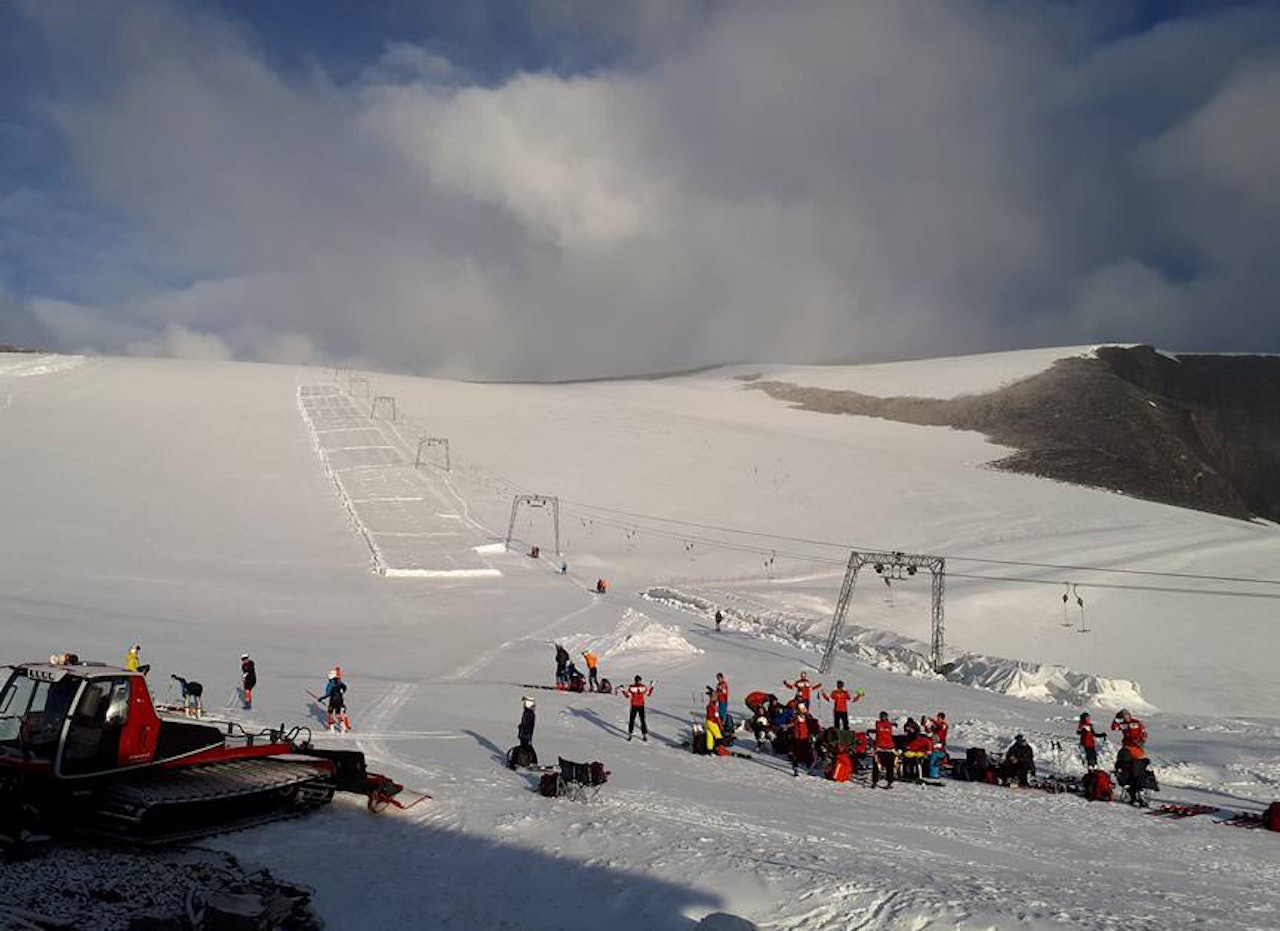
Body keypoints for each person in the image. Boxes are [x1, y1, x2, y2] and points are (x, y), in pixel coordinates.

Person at [619, 675, 653, 741]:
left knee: (637, 720)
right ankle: (638, 735)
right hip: (637, 705)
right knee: (638, 720)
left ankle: (640, 735)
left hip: (637, 705)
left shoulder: (633, 687)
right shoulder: (642, 687)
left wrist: (622, 689)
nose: (638, 681)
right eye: (638, 680)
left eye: (639, 680)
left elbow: (627, 695)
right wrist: (652, 686)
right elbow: (648, 693)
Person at [872, 712, 897, 788]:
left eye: (884, 716)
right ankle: (875, 782)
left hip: (889, 748)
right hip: (880, 748)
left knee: (890, 766)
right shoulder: (878, 724)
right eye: (882, 716)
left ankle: (889, 782)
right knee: (876, 765)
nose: (883, 718)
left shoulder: (889, 725)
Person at [789, 702, 815, 776]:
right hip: (797, 738)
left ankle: (808, 768)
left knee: (807, 753)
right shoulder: (795, 717)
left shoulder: (807, 716)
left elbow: (811, 723)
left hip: (805, 737)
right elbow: (793, 723)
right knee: (796, 754)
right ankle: (796, 768)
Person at [703, 688, 725, 754]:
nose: (717, 699)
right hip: (712, 723)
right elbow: (717, 718)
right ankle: (718, 749)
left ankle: (709, 750)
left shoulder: (709, 706)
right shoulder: (714, 707)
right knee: (719, 737)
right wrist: (721, 727)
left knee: (709, 737)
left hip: (707, 722)